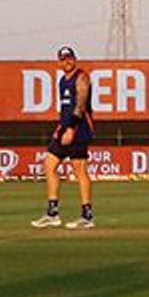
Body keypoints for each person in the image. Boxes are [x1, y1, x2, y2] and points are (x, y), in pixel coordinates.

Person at [32, 45, 96, 229]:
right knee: (49, 164)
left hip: (80, 129)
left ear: (75, 59)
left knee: (80, 170)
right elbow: (65, 109)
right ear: (59, 62)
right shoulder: (62, 80)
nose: (67, 61)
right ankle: (52, 212)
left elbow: (80, 105)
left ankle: (87, 215)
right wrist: (61, 127)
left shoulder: (81, 78)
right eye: (63, 59)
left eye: (70, 58)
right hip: (65, 127)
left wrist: (71, 129)